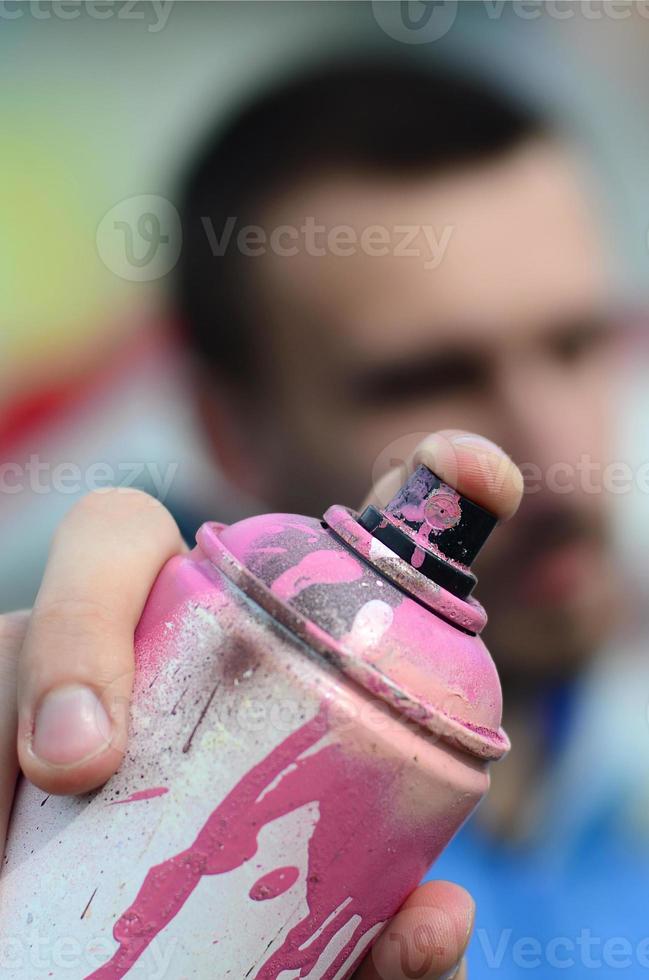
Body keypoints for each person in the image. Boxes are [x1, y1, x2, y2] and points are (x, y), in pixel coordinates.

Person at [0, 60, 640, 976]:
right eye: (425, 379)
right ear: (227, 432)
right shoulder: (114, 811)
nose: (538, 455)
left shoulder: (624, 774)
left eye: (577, 342)